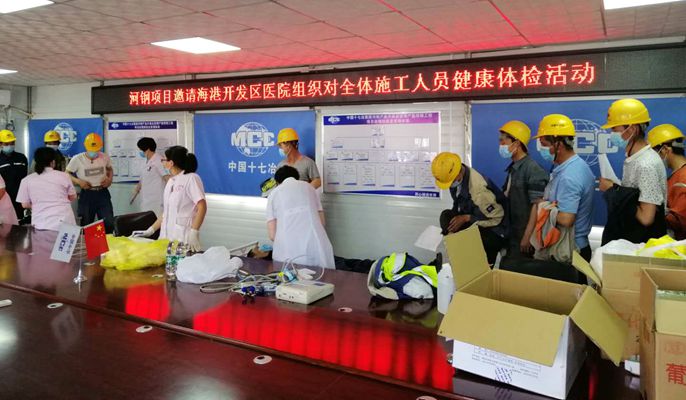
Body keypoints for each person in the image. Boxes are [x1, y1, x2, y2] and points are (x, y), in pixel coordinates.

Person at [599, 99, 667, 244]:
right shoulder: (634, 158)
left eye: (614, 129)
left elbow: (646, 217)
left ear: (632, 129)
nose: (611, 134)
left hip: (642, 246)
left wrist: (613, 190)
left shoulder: (646, 164)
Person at [531, 114, 595, 261]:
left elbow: (566, 219)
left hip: (569, 250)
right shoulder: (576, 166)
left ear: (558, 145)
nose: (541, 150)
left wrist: (542, 206)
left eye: (544, 145)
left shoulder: (569, 176)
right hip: (573, 246)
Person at [432, 152, 508, 265]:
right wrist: (453, 226)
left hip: (495, 231)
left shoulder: (478, 191)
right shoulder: (458, 177)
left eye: (450, 182)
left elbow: (497, 218)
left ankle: (477, 265)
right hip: (475, 220)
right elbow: (458, 204)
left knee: (477, 267)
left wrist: (467, 218)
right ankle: (456, 246)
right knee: (446, 216)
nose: (449, 185)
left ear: (458, 174)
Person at [133, 146, 207, 252]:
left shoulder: (191, 178)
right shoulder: (171, 181)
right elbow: (166, 213)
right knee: (164, 262)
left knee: (181, 262)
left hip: (183, 237)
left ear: (171, 163)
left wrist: (194, 231)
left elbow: (202, 206)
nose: (162, 162)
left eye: (164, 159)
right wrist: (150, 230)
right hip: (165, 238)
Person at [266, 165, 335, 268]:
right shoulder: (310, 188)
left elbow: (272, 235)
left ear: (278, 182)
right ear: (297, 177)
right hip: (315, 245)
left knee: (291, 276)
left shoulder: (274, 194)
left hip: (288, 249)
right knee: (321, 276)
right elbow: (322, 222)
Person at [498, 120, 549, 259]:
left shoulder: (533, 170)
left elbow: (538, 207)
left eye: (503, 141)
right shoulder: (514, 168)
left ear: (516, 143)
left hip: (525, 238)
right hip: (512, 233)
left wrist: (527, 237)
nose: (500, 145)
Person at [16, 147, 77, 231]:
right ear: (53, 162)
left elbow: (25, 204)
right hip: (65, 222)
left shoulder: (26, 180)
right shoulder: (64, 176)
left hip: (42, 223)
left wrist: (40, 205)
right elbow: (73, 197)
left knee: (43, 240)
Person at [66, 133, 115, 232]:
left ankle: (109, 240)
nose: (94, 152)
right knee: (86, 223)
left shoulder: (104, 157)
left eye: (96, 150)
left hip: (102, 193)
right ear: (86, 146)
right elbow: (67, 173)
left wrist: (109, 180)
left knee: (108, 223)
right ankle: (86, 242)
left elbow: (110, 169)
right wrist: (78, 181)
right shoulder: (77, 159)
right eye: (91, 150)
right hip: (87, 194)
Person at [647, 124, 686, 240]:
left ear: (664, 149)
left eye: (653, 153)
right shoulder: (675, 177)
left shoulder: (683, 179)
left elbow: (680, 220)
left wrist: (650, 211)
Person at [132, 137, 169, 217]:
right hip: (146, 200)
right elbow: (142, 179)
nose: (140, 151)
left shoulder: (159, 160)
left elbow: (167, 178)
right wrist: (135, 192)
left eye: (140, 149)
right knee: (146, 221)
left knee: (156, 220)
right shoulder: (146, 161)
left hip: (157, 200)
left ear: (147, 149)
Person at [0, 129, 28, 220]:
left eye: (12, 143)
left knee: (20, 221)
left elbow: (26, 177)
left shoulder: (21, 157)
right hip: (5, 198)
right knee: (7, 223)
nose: (10, 146)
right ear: (0, 144)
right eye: (6, 144)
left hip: (21, 196)